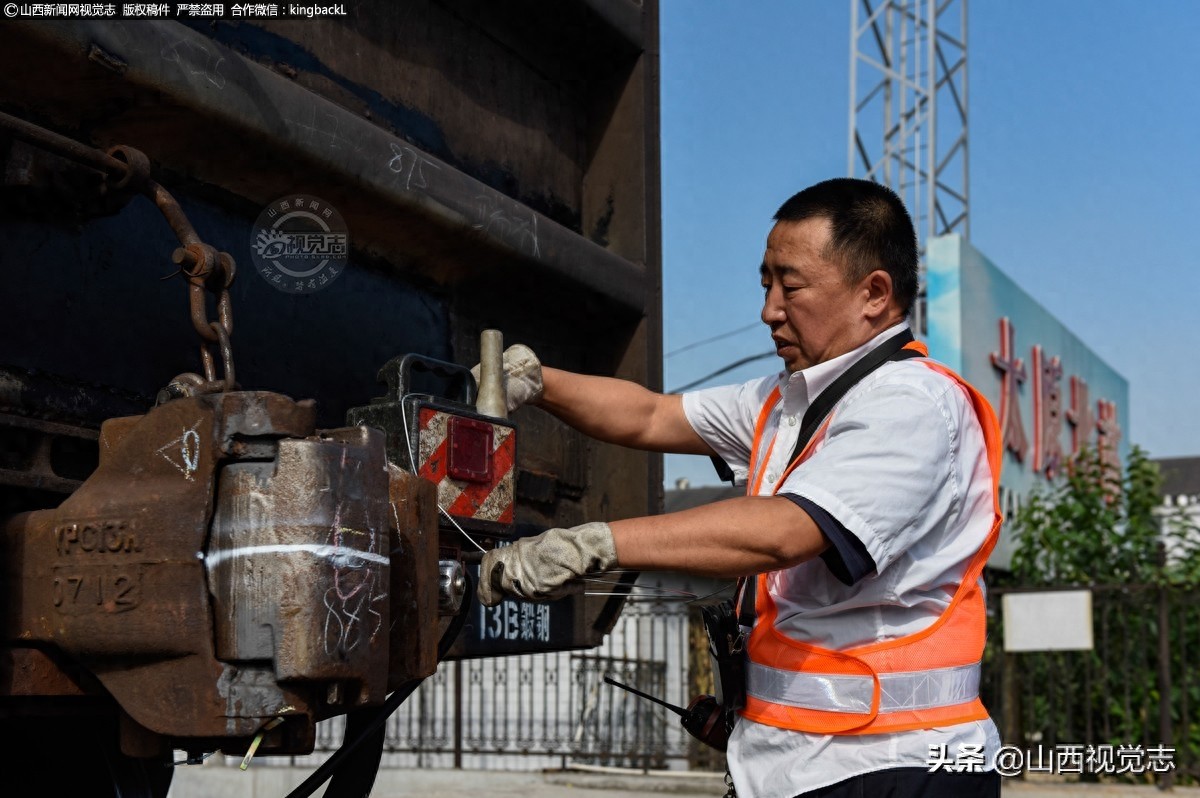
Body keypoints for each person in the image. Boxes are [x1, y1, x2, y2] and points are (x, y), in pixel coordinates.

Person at [475, 177, 1002, 798]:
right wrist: (537, 380)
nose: (769, 310)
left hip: (894, 763)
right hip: (799, 760)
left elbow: (784, 532)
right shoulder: (787, 400)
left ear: (874, 294)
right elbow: (651, 415)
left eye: (791, 286)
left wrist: (593, 544)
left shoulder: (913, 405)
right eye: (765, 284)